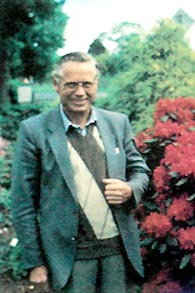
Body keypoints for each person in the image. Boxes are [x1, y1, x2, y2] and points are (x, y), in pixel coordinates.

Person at [11, 52, 150, 292]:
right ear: (56, 85)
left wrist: (130, 189)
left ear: (96, 84)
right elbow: (23, 203)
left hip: (116, 252)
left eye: (86, 84)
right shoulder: (34, 131)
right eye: (71, 84)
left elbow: (139, 170)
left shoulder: (117, 123)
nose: (80, 92)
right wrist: (36, 263)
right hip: (69, 257)